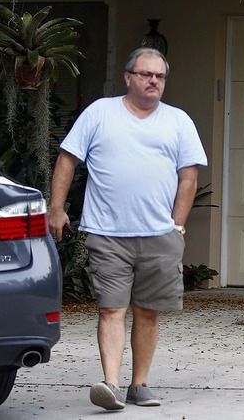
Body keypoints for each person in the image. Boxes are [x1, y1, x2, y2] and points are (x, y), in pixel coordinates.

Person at [48, 47, 207, 411]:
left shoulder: (178, 121)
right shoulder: (100, 113)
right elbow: (67, 159)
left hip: (159, 236)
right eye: (146, 74)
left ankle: (140, 384)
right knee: (111, 308)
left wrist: (177, 226)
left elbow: (189, 177)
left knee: (149, 311)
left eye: (160, 76)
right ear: (128, 77)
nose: (153, 81)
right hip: (107, 233)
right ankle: (111, 384)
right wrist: (56, 209)